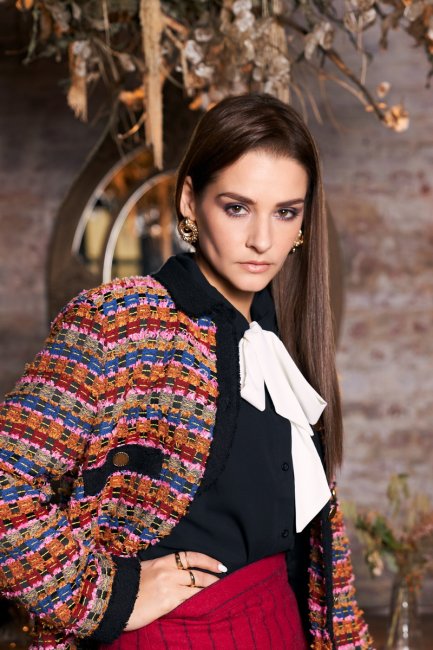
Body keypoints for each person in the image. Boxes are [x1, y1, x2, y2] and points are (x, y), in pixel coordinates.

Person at [0, 94, 373, 650]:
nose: (262, 240)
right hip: (170, 637)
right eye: (237, 207)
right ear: (190, 202)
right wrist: (110, 595)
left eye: (285, 212)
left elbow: (314, 553)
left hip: (280, 628)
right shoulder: (120, 322)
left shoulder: (286, 335)